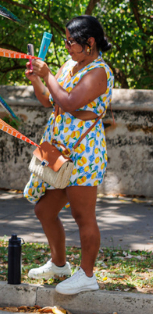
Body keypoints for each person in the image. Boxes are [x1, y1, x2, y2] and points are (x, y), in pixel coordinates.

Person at [24, 16, 114, 294]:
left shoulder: (99, 72)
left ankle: (87, 275)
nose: (67, 47)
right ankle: (59, 264)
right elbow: (50, 101)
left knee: (82, 214)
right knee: (44, 210)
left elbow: (70, 101)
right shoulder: (69, 65)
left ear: (90, 42)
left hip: (83, 151)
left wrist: (47, 75)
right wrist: (37, 80)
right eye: (65, 41)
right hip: (56, 146)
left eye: (71, 42)